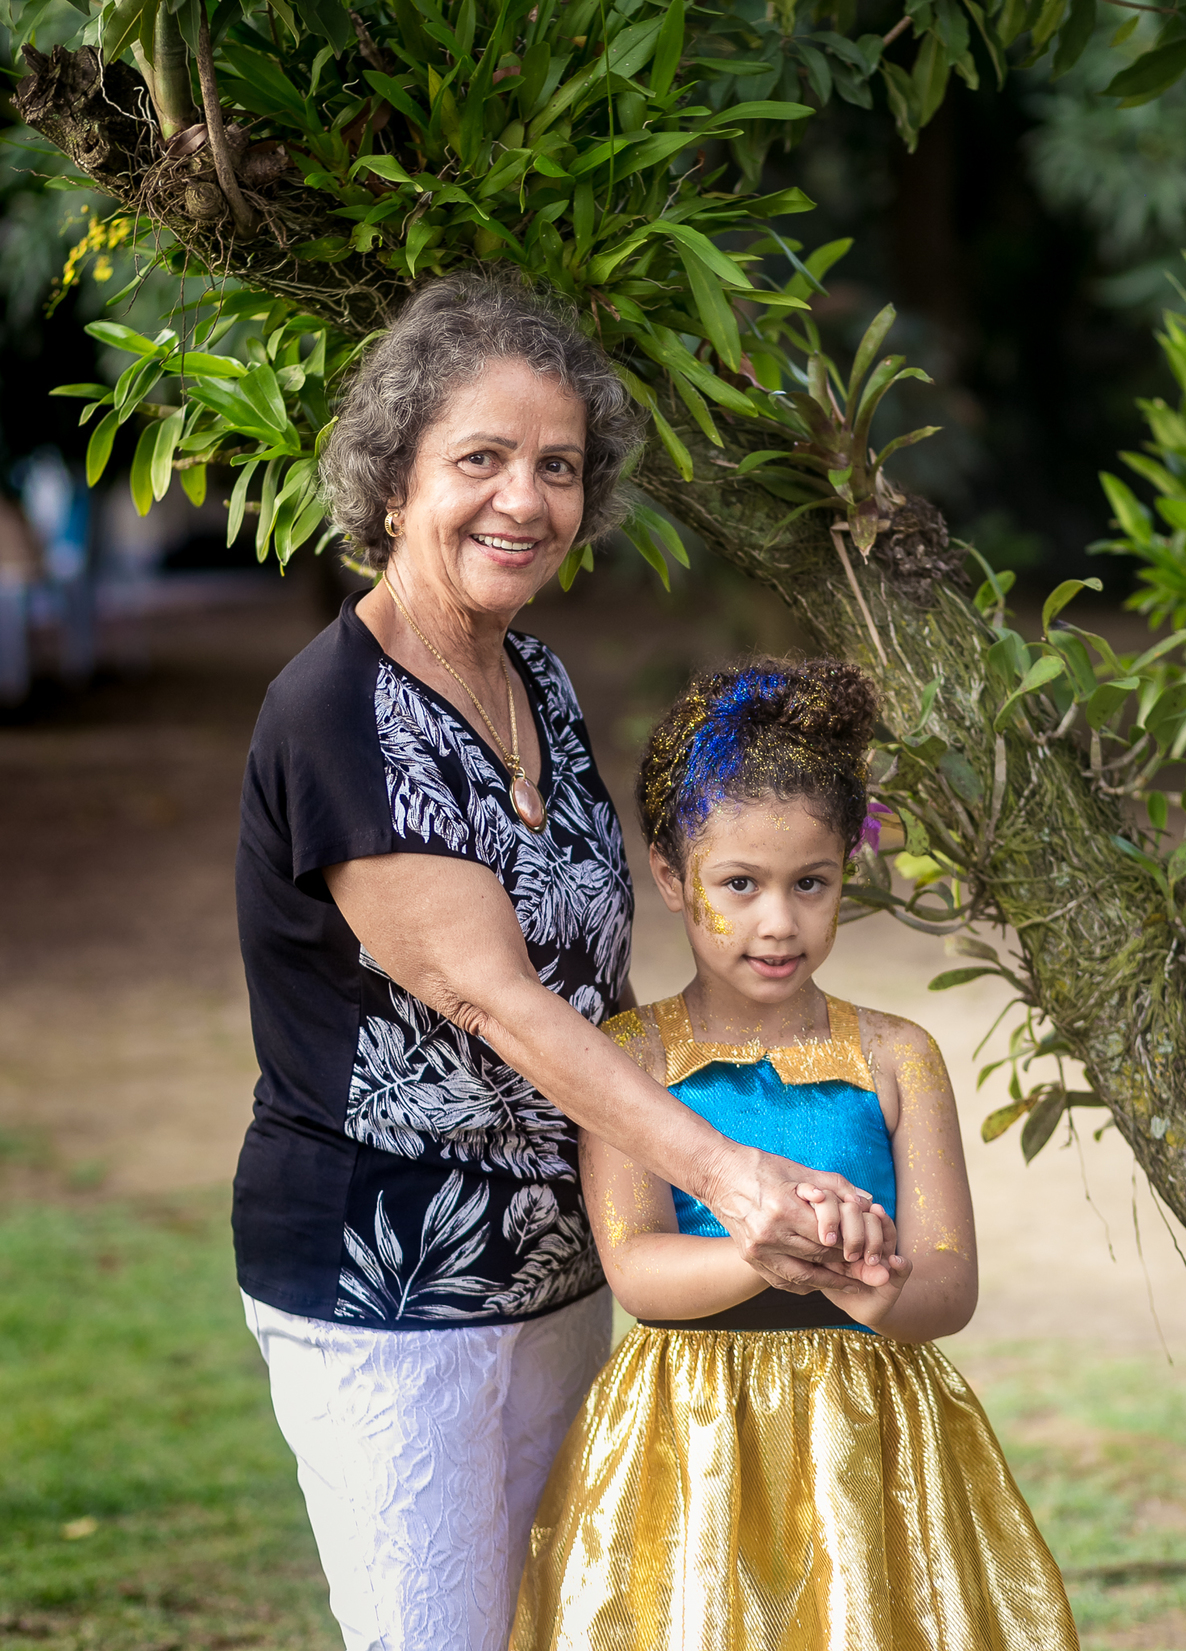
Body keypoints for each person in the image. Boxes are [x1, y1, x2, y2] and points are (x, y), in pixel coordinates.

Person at [232, 277, 894, 1651]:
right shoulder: (338, 712)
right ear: (396, 477)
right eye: (480, 458)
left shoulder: (535, 678)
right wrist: (728, 1172)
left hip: (557, 1271)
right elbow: (497, 998)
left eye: (557, 466)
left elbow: (606, 976)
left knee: (552, 1623)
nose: (522, 499)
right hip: (388, 1282)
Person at [511, 657, 1079, 1651]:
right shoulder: (629, 1056)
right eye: (741, 884)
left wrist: (874, 1286)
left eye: (810, 883)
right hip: (687, 1441)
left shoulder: (900, 1056)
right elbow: (638, 1268)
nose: (779, 921)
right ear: (671, 876)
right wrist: (771, 1249)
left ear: (845, 876)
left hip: (872, 1442)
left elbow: (950, 1284)